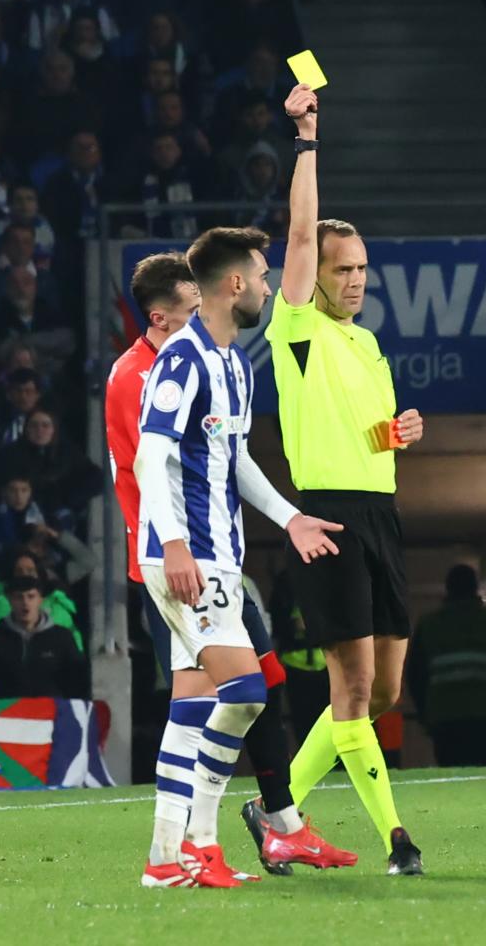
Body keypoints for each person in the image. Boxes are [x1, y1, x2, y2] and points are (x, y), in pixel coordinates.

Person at [105, 250, 351, 876]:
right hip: (183, 555)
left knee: (193, 705)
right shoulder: (165, 365)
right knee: (246, 690)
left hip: (216, 555)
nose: (271, 288)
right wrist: (175, 545)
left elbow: (234, 459)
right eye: (265, 277)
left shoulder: (235, 365)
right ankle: (205, 842)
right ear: (231, 285)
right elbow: (147, 462)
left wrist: (289, 517)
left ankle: (166, 856)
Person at [269, 84, 425, 876]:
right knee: (355, 693)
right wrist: (306, 139)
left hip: (380, 514)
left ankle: (275, 810)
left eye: (363, 267)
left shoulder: (366, 345)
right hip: (326, 517)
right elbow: (300, 231)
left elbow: (374, 434)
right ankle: (398, 838)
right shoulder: (296, 328)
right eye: (343, 268)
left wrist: (399, 435)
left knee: (382, 692)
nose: (356, 280)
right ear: (314, 276)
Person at [407, 565, 486, 767]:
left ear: (448, 588)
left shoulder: (430, 624)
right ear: (475, 587)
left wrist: (424, 714)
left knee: (449, 771)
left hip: (443, 713)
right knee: (482, 769)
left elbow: (416, 674)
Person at [0, 576, 88, 698]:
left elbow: (77, 680)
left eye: (31, 596)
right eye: (19, 597)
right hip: (10, 711)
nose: (25, 603)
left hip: (53, 711)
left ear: (40, 600)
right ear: (10, 600)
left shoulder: (62, 637)